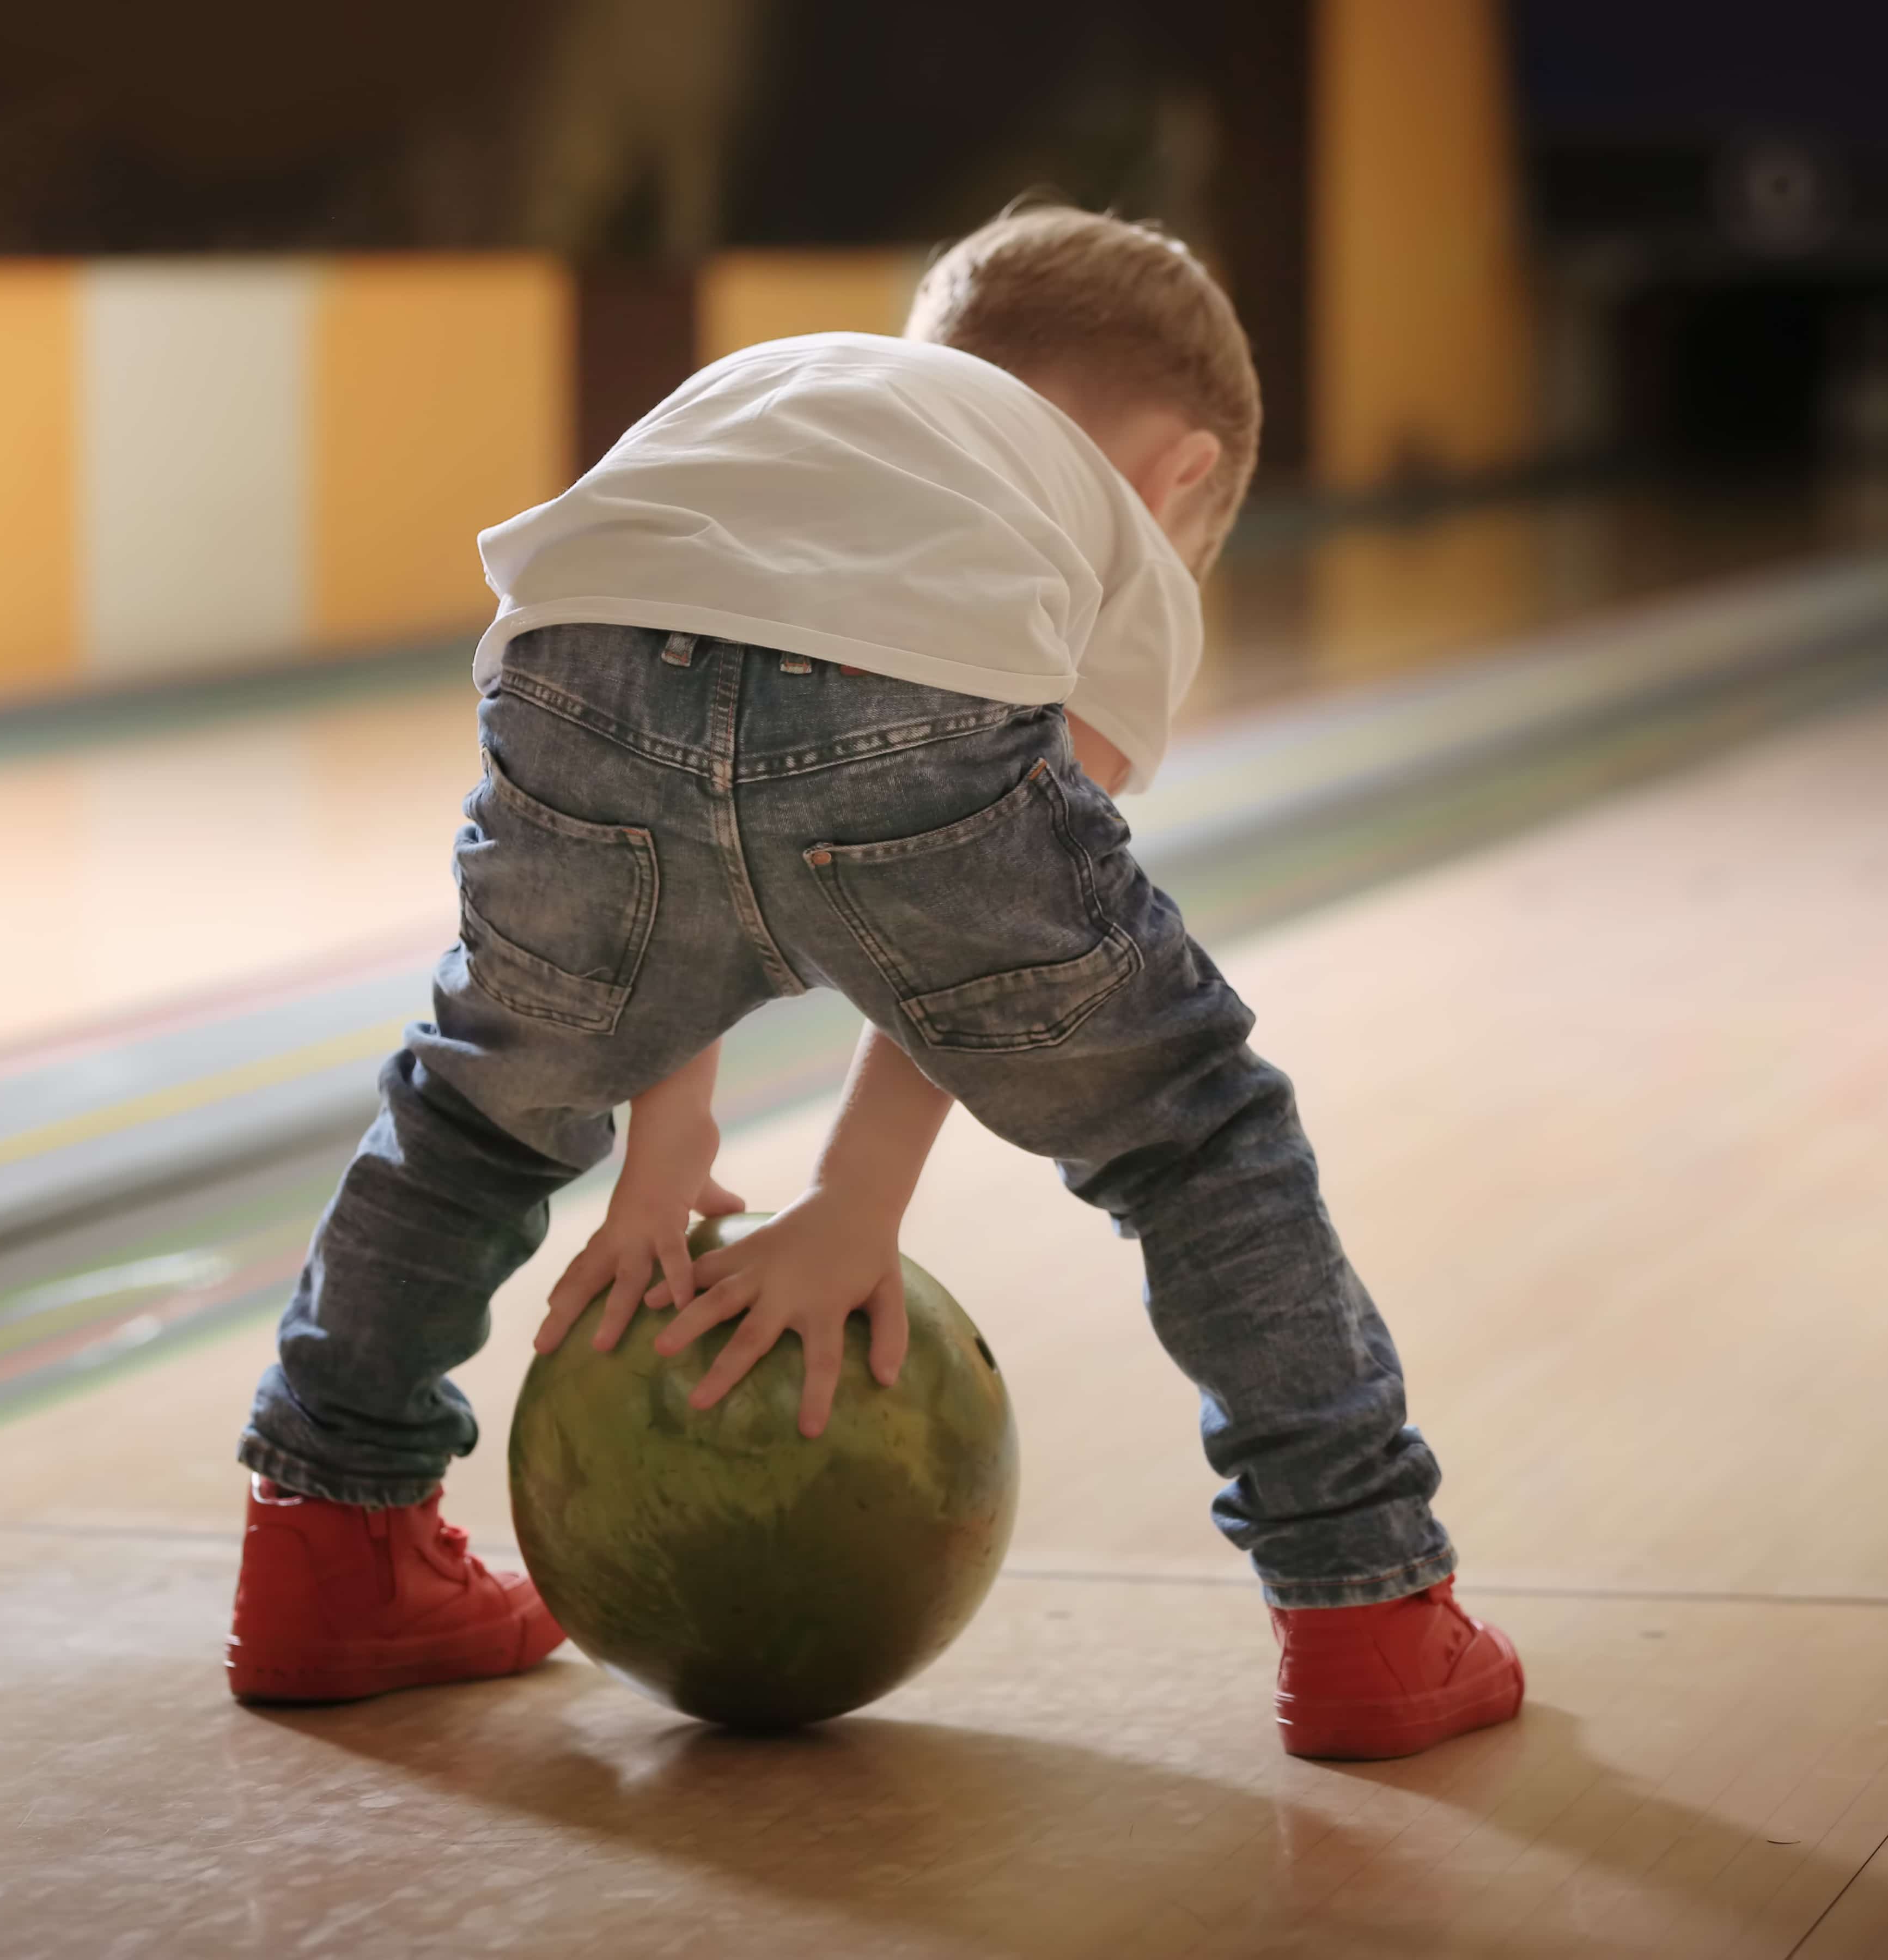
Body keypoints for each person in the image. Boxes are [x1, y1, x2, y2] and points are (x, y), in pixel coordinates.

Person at [226, 205, 1524, 1760]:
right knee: (1194, 1136)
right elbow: (1007, 935)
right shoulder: (1104, 522)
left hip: (576, 673)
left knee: (478, 1116)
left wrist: (662, 1153)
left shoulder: (804, 387)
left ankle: (325, 1549)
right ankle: (1363, 1608)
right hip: (902, 712)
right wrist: (857, 1205)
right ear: (1183, 472)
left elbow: (674, 850)